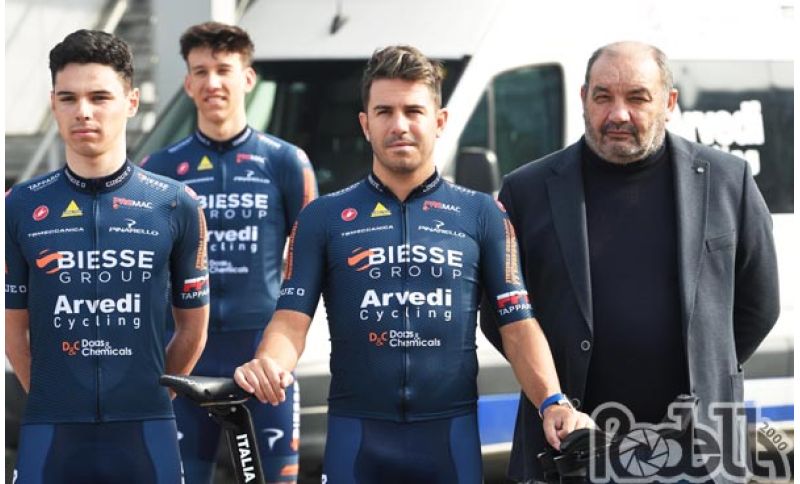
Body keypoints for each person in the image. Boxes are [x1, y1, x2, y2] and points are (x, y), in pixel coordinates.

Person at [233, 45, 594, 484]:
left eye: (413, 111)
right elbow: (290, 322)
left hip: (448, 440)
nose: (399, 125)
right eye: (384, 111)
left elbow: (517, 325)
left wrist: (553, 401)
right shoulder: (322, 218)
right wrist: (269, 363)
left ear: (439, 121)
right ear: (365, 124)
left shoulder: (482, 214)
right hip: (357, 438)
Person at [480, 41, 780, 483]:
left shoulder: (727, 182)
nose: (618, 114)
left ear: (669, 103)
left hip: (698, 451)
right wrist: (552, 394)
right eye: (603, 97)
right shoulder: (526, 192)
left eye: (637, 98)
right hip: (571, 450)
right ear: (584, 98)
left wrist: (702, 365)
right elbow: (501, 317)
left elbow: (760, 304)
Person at [5, 30, 210, 483]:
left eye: (99, 97)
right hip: (51, 429)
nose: (83, 111)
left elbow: (193, 327)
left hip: (146, 428)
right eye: (68, 98)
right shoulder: (18, 205)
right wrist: (52, 397)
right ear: (53, 104)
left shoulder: (175, 203)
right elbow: (13, 329)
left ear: (131, 102)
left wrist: (148, 396)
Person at [141, 22, 317, 484]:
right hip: (182, 356)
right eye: (201, 71)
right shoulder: (159, 168)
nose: (212, 82)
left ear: (248, 78)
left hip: (261, 357)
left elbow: (310, 264)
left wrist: (285, 347)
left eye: (224, 69)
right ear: (187, 83)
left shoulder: (286, 161)